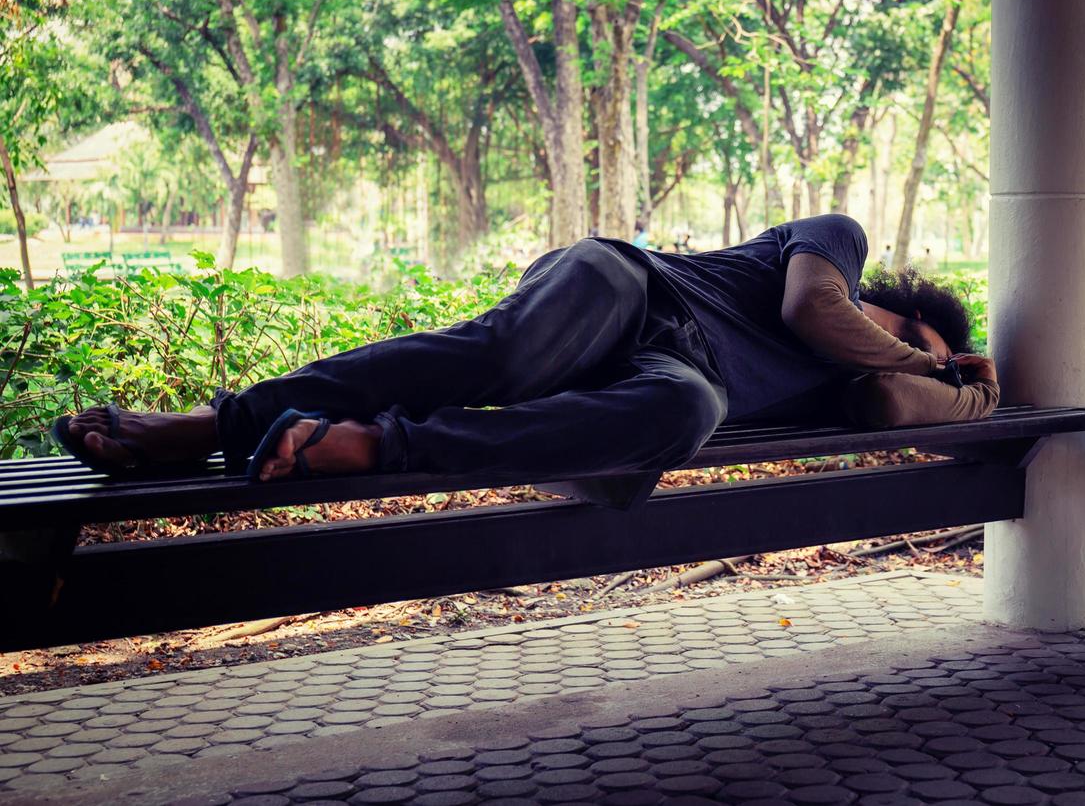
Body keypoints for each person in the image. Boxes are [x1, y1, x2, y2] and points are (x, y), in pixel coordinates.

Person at [54, 214, 997, 488]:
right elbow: (811, 314)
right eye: (906, 334)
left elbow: (888, 409)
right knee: (498, 359)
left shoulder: (866, 381)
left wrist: (967, 391)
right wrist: (921, 357)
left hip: (674, 376)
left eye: (916, 354)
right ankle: (213, 425)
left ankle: (375, 446)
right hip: (630, 289)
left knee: (686, 414)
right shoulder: (833, 247)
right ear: (891, 305)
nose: (892, 358)